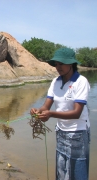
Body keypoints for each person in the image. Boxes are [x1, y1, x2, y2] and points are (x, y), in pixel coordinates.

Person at [30, 47, 90, 180]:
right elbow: (46, 106)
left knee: (77, 173)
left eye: (61, 63)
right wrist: (37, 111)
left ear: (71, 64)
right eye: (56, 64)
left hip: (78, 133)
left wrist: (50, 114)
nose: (58, 67)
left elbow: (76, 113)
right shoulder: (55, 82)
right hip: (61, 132)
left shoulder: (81, 82)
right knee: (62, 172)